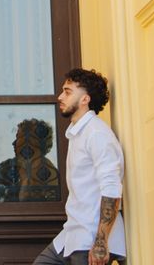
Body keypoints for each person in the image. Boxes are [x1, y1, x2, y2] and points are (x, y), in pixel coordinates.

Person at [33, 68, 127, 265]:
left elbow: (111, 188)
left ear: (85, 99)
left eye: (67, 92)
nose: (60, 97)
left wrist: (101, 242)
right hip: (73, 233)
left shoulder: (97, 134)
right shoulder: (78, 133)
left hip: (90, 238)